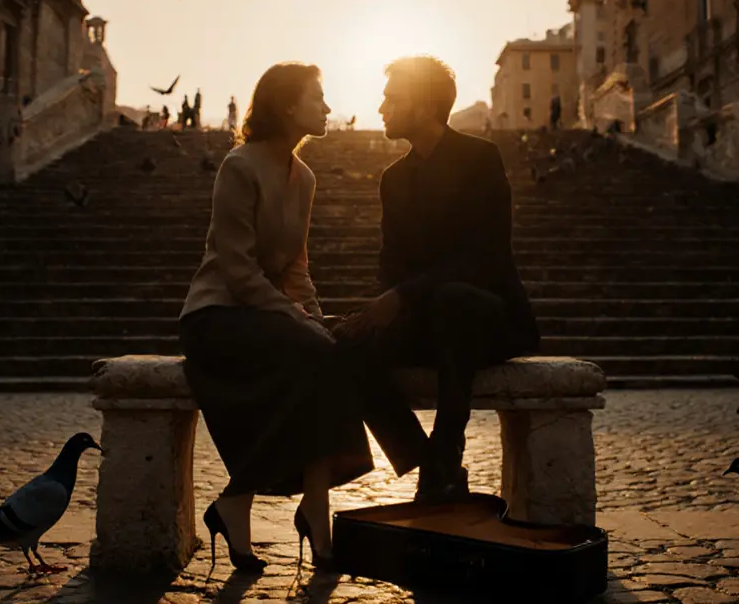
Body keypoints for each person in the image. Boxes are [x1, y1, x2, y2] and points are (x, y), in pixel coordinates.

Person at [179, 62, 372, 572]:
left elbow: (296, 267)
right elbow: (237, 269)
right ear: (288, 106)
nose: (328, 107)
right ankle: (254, 501)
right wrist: (296, 318)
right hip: (217, 316)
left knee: (335, 348)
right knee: (314, 352)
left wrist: (314, 316)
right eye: (317, 97)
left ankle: (308, 506)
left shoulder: (304, 177)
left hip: (267, 317)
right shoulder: (239, 166)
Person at [336, 55, 540, 502]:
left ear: (426, 106)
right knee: (344, 342)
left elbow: (487, 256)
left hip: (486, 318)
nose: (382, 107)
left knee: (454, 300)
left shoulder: (480, 158)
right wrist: (380, 309)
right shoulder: (393, 178)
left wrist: (404, 294)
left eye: (392, 98)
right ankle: (423, 456)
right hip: (427, 320)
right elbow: (391, 261)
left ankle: (446, 451)